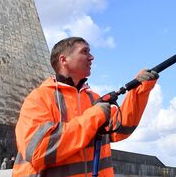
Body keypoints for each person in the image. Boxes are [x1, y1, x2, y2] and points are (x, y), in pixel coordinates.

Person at [12, 37, 158, 177]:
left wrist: (139, 91)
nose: (92, 57)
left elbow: (119, 129)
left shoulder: (94, 99)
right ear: (64, 60)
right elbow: (38, 149)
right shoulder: (38, 98)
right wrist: (95, 116)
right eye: (84, 51)